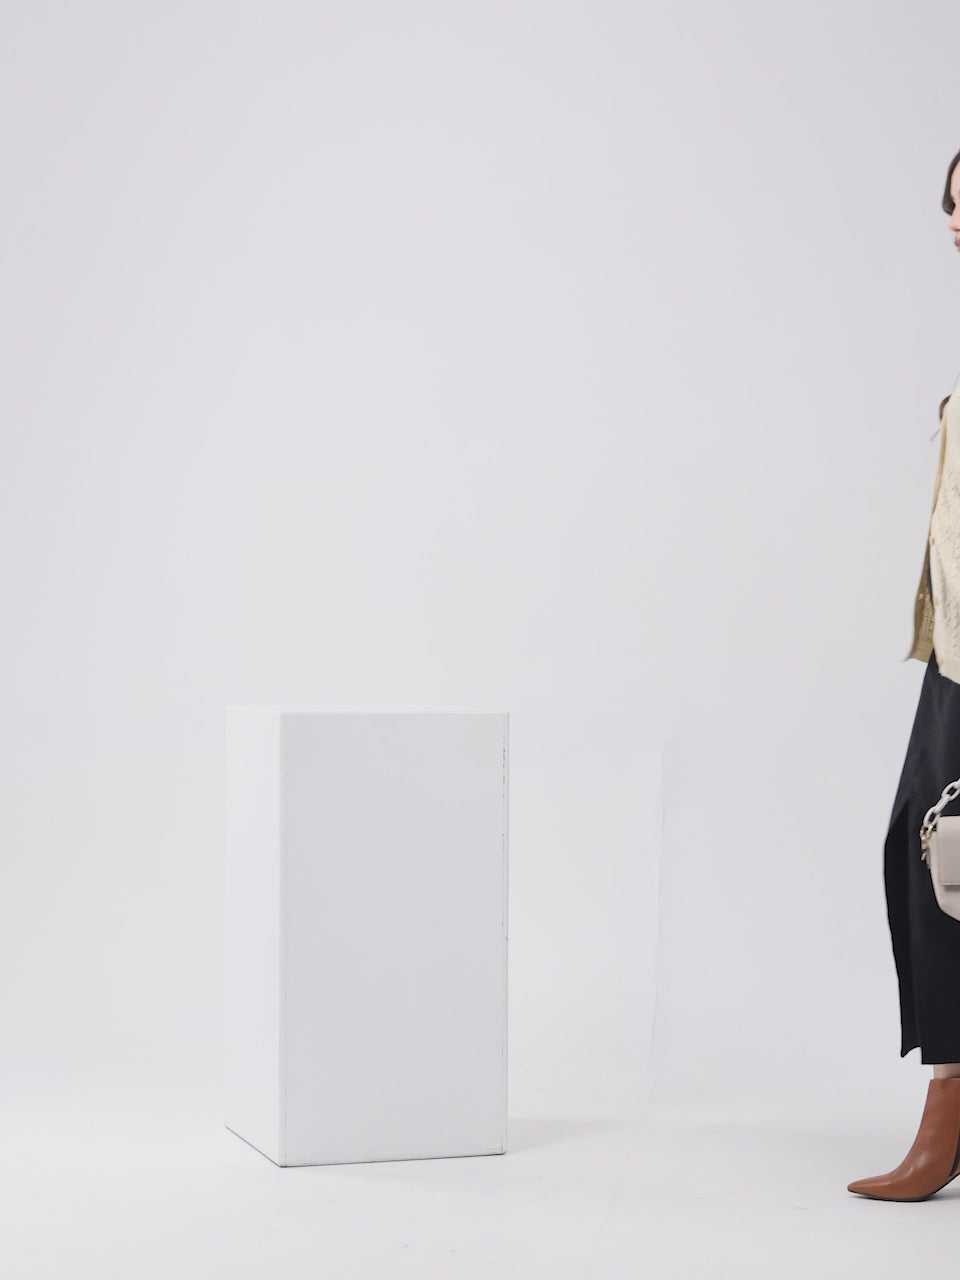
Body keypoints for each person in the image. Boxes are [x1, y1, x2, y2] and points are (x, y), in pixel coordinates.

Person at [846, 148, 960, 1202]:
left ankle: (947, 1112)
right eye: (952, 209)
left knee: (947, 866)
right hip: (952, 652)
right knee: (927, 856)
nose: (958, 224)